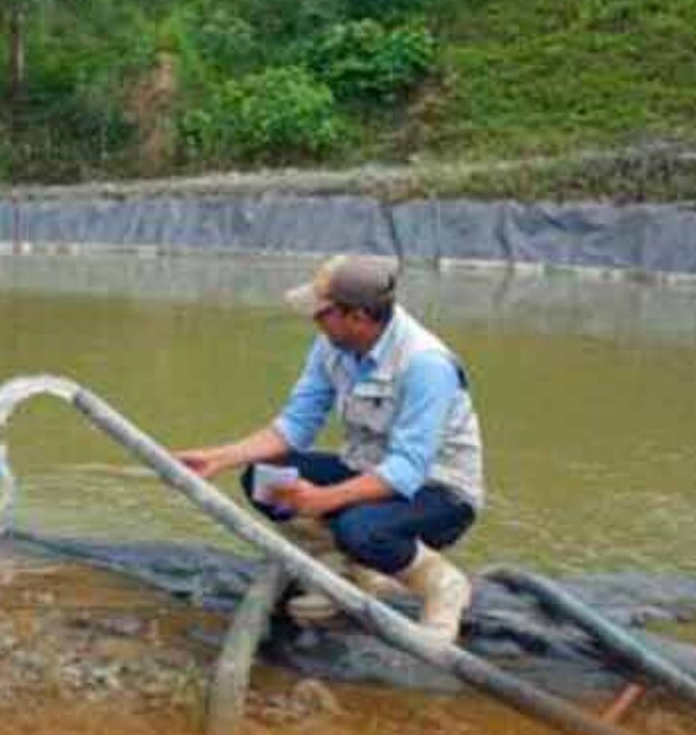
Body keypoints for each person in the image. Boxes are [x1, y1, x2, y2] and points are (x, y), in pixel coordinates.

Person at [177, 255, 484, 642]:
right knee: (263, 479)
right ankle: (348, 571)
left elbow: (407, 469)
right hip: (368, 470)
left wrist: (324, 498)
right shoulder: (332, 347)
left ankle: (442, 584)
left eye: (323, 314)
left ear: (356, 317)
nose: (314, 321)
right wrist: (218, 458)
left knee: (360, 529)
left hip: (439, 492)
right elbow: (294, 426)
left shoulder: (425, 364)